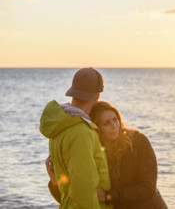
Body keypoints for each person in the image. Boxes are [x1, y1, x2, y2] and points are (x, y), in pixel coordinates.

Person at [46, 101, 168, 209]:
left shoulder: (138, 141)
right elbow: (74, 200)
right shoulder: (92, 151)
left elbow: (148, 188)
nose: (114, 126)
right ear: (96, 126)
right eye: (106, 123)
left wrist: (107, 196)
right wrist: (55, 183)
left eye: (115, 120)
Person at [40, 68, 113, 209]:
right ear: (97, 96)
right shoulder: (82, 132)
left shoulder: (60, 125)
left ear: (72, 92)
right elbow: (83, 189)